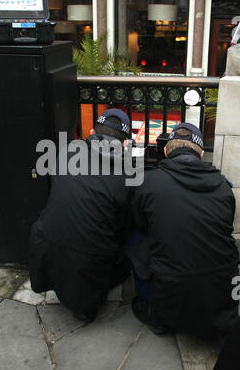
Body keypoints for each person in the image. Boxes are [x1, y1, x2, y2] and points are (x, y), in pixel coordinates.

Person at [128, 122, 239, 338]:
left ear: (167, 151)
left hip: (170, 302)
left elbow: (138, 222)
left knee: (134, 236)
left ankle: (152, 306)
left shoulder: (149, 181)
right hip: (223, 299)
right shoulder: (224, 186)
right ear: (199, 154)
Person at [29, 109, 133, 322]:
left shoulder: (67, 152)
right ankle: (85, 303)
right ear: (124, 144)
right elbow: (123, 229)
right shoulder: (127, 174)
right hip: (89, 261)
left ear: (93, 131)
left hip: (45, 246)